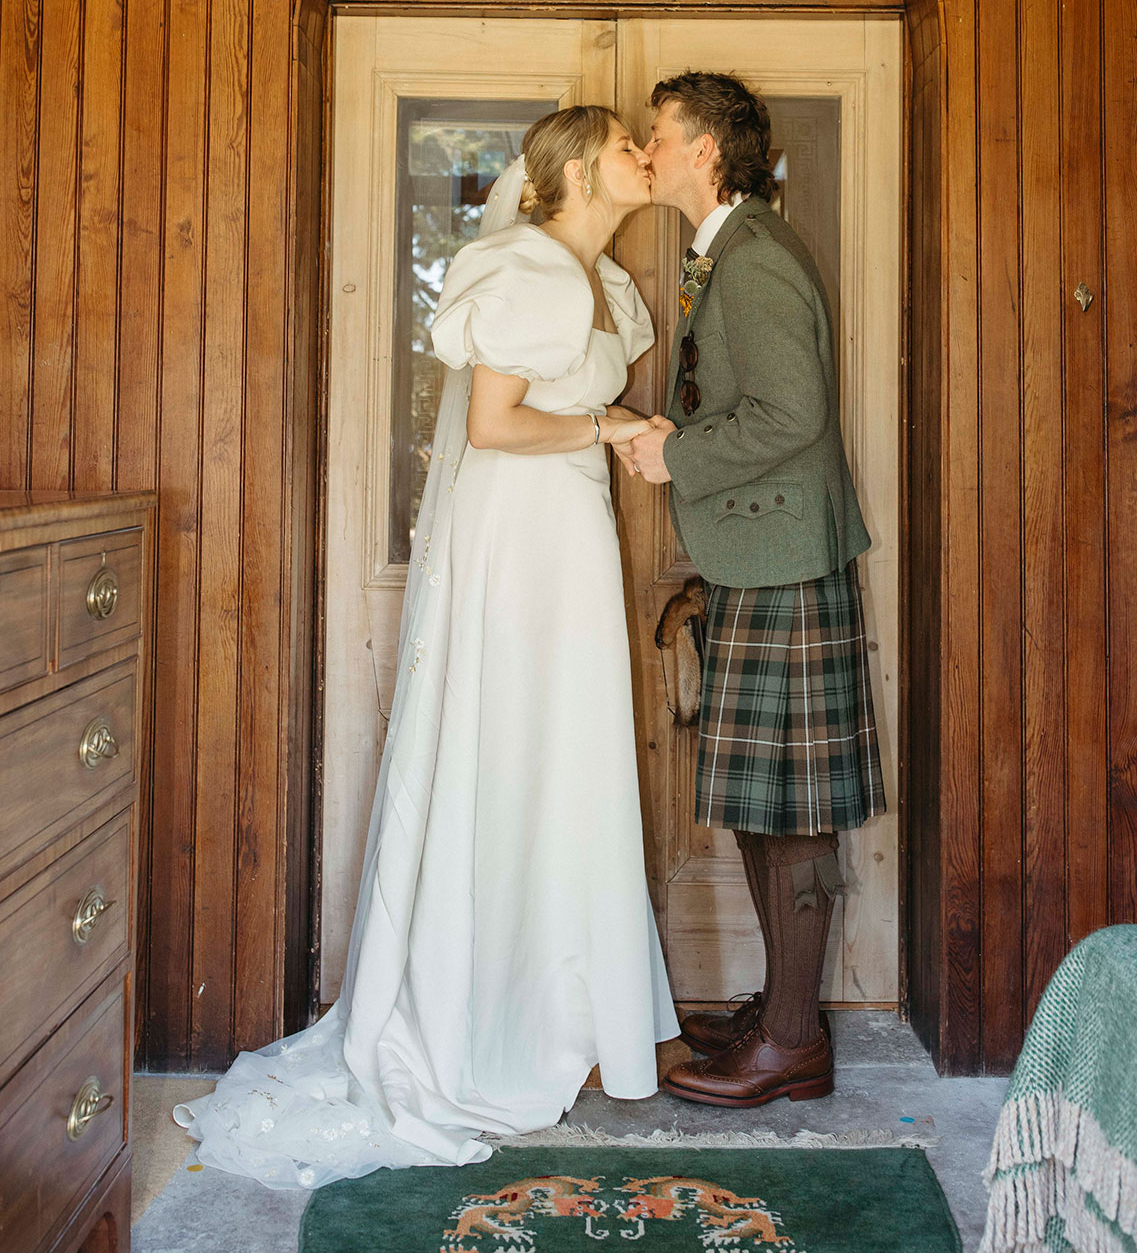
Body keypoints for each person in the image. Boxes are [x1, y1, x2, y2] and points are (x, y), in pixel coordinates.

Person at [173, 107, 677, 1187]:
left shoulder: (594, 282)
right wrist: (613, 428)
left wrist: (626, 425)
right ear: (583, 171)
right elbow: (496, 424)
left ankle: (555, 1011)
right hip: (521, 535)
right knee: (511, 751)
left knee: (561, 758)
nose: (647, 156)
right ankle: (482, 1018)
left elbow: (564, 395)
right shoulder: (532, 271)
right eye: (630, 146)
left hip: (564, 532)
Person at [624, 70, 885, 1108]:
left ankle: (791, 1042)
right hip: (756, 561)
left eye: (658, 133)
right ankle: (784, 1015)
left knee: (794, 810)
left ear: (703, 148)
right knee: (760, 802)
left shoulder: (757, 258)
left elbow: (794, 415)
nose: (646, 148)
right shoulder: (728, 248)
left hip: (782, 564)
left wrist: (675, 457)